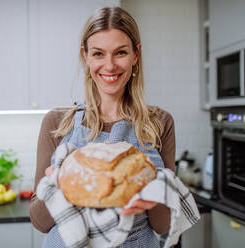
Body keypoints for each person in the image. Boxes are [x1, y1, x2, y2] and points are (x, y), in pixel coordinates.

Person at [30, 6, 176, 247]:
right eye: (98, 53)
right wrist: (62, 185)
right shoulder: (57, 122)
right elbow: (39, 222)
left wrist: (153, 192)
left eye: (120, 53)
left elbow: (164, 226)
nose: (109, 66)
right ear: (85, 56)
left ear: (135, 55)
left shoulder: (159, 123)